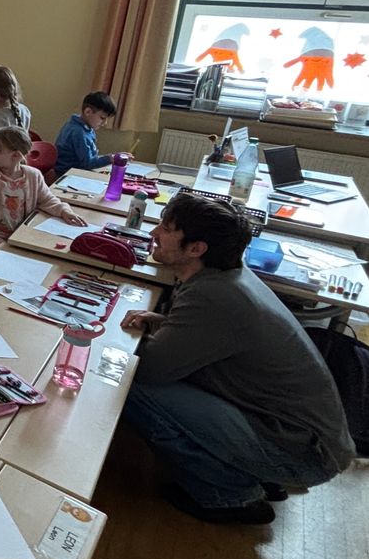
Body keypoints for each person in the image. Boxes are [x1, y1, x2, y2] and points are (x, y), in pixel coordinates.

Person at [120, 193, 354, 525]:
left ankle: (229, 494)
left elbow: (151, 371)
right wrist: (165, 324)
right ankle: (250, 470)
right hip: (298, 434)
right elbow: (214, 336)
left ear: (196, 249)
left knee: (127, 384)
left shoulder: (212, 295)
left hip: (302, 452)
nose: (154, 233)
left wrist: (123, 340)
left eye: (166, 228)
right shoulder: (227, 275)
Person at [0, 126, 84, 254]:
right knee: (8, 255)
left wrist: (63, 211)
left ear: (16, 155)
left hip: (20, 231)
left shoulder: (33, 175)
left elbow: (47, 199)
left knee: (37, 252)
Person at [54, 90, 116, 175]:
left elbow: (89, 158)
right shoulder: (78, 132)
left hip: (77, 170)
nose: (105, 123)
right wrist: (110, 159)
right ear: (88, 112)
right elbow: (87, 163)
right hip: (67, 174)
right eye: (102, 118)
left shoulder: (84, 127)